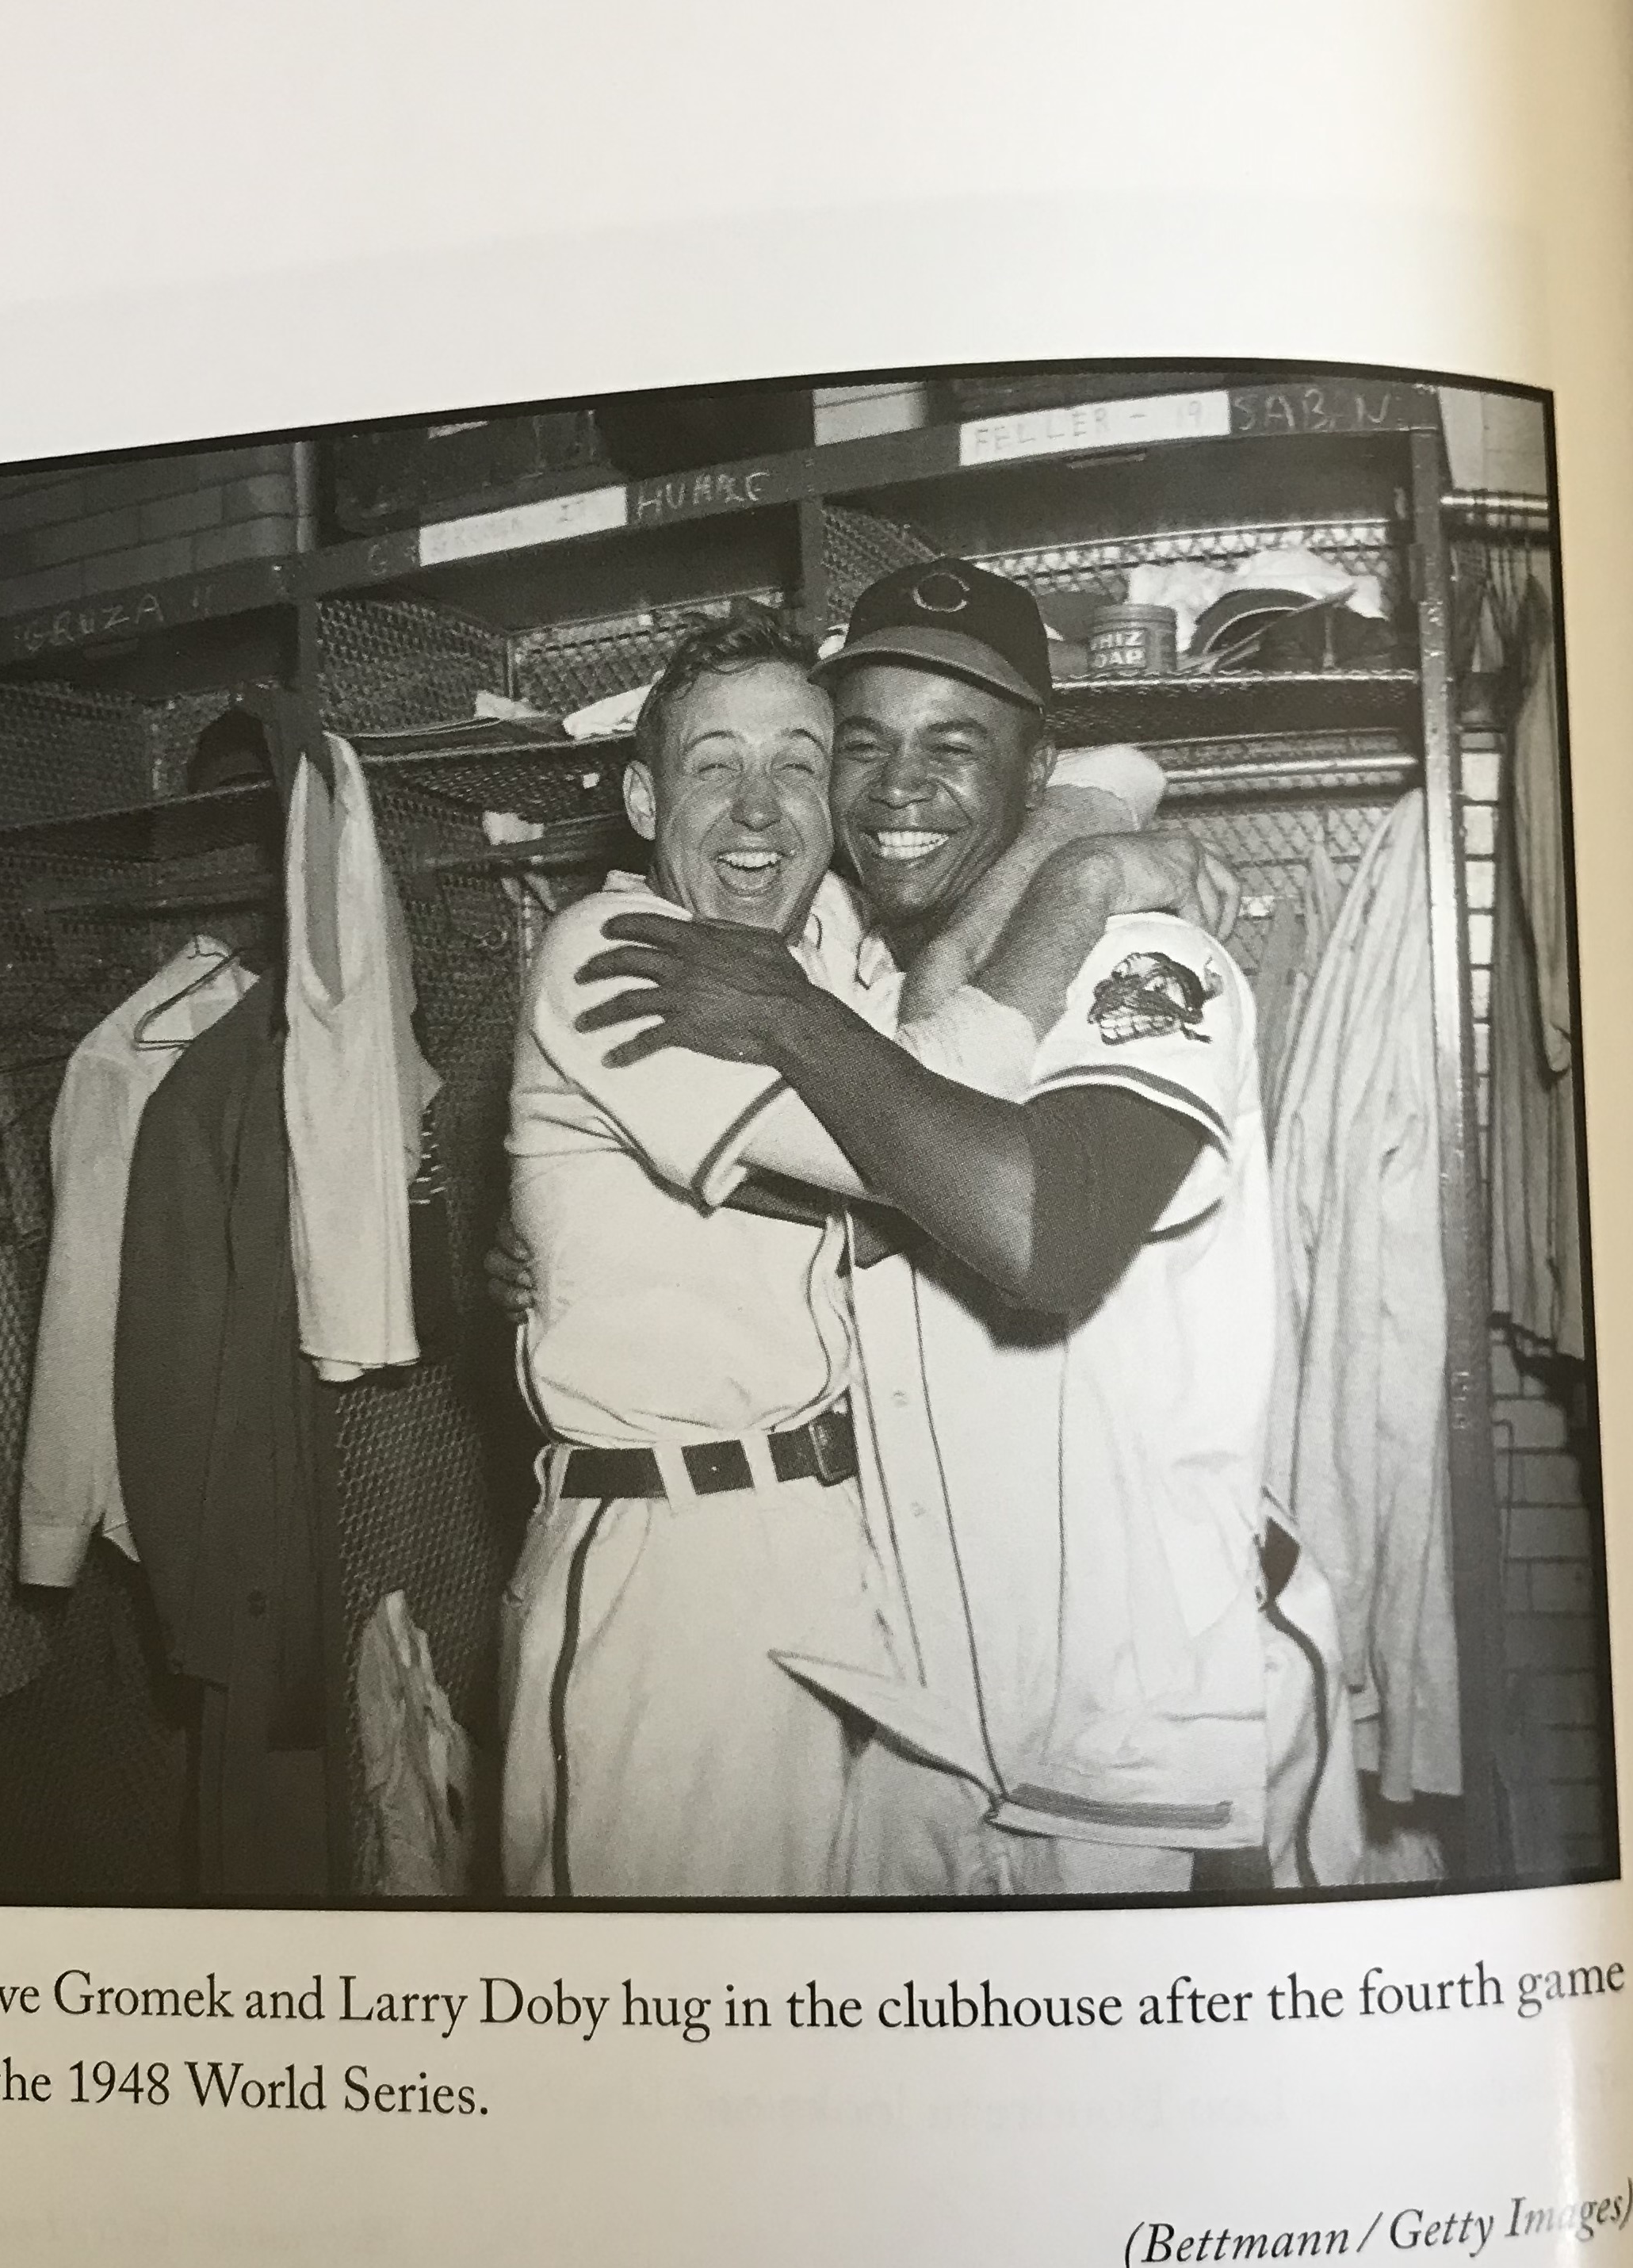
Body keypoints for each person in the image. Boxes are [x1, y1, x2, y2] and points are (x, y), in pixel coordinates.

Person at [574, 559, 1363, 1897]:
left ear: (1032, 769)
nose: (894, 791)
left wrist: (790, 1013)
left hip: (1149, 1729)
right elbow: (854, 1207)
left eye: (954, 747)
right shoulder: (893, 1003)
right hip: (925, 1733)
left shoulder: (1149, 964)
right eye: (862, 747)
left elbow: (1043, 1240)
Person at [497, 605, 904, 1898]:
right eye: (712, 766)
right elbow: (925, 1178)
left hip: (841, 1548)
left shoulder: (832, 947)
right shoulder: (613, 952)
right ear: (638, 795)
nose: (758, 811)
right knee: (658, 2032)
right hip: (669, 1568)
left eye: (798, 762)